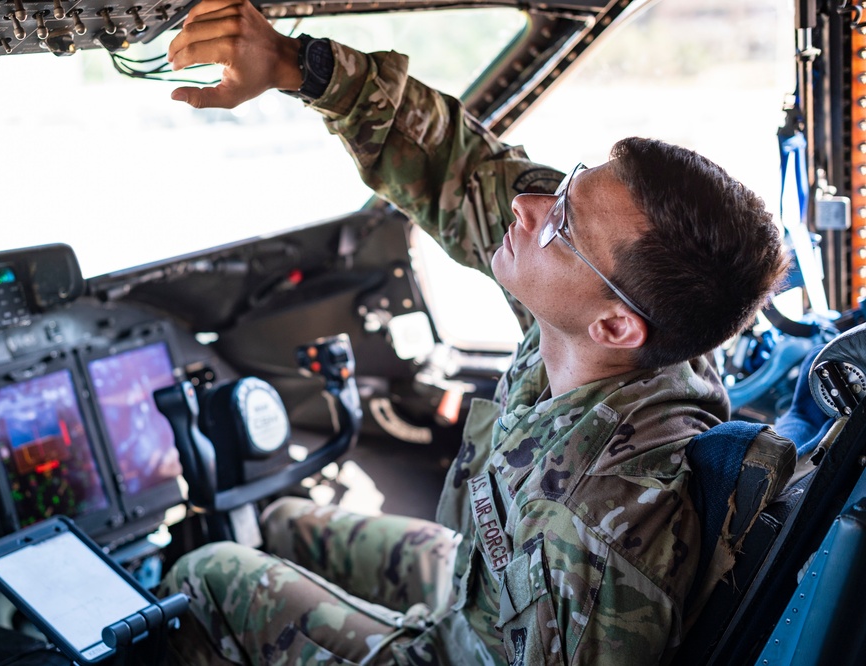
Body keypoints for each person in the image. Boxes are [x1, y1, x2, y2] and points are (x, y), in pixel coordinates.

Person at [157, 0, 792, 663]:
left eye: (562, 223)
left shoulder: (588, 536)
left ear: (614, 324)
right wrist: (295, 64)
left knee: (210, 577)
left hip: (477, 648)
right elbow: (466, 174)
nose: (528, 205)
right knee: (282, 523)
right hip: (486, 590)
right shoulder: (623, 330)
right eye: (568, 187)